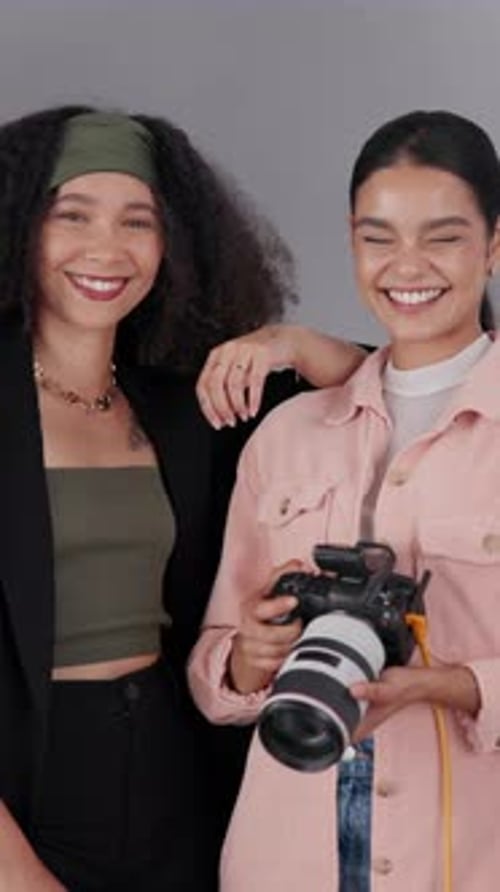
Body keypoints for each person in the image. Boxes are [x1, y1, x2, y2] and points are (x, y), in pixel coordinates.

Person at [0, 104, 365, 892]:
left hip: (177, 774)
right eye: (73, 216)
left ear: (173, 246)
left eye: (139, 221)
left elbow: (400, 397)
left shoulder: (182, 406)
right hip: (26, 783)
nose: (108, 248)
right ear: (20, 230)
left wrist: (290, 343)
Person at [189, 109, 500, 892]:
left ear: (494, 244)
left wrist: (453, 685)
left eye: (444, 235)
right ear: (352, 241)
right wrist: (245, 660)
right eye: (378, 235)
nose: (408, 264)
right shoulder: (289, 433)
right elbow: (213, 660)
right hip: (286, 851)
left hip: (466, 851)